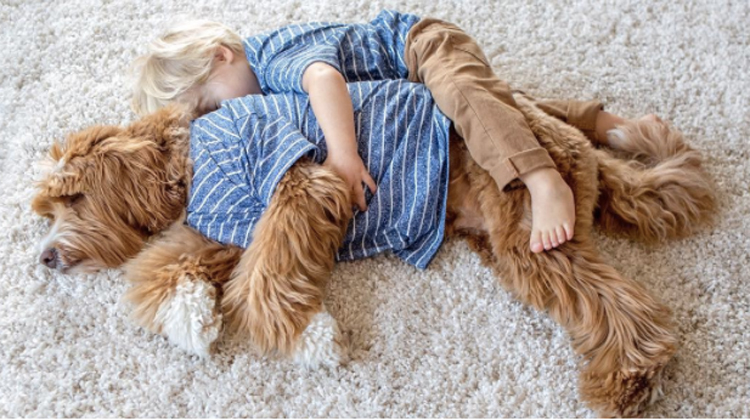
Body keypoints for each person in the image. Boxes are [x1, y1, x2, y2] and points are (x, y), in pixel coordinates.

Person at [131, 11, 661, 253]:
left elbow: (326, 79)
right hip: (417, 102)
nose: (216, 121)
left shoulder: (272, 56)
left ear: (221, 57)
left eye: (207, 105)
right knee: (496, 108)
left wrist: (343, 158)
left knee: (471, 98)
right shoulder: (258, 93)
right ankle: (610, 128)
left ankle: (543, 178)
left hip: (419, 48)